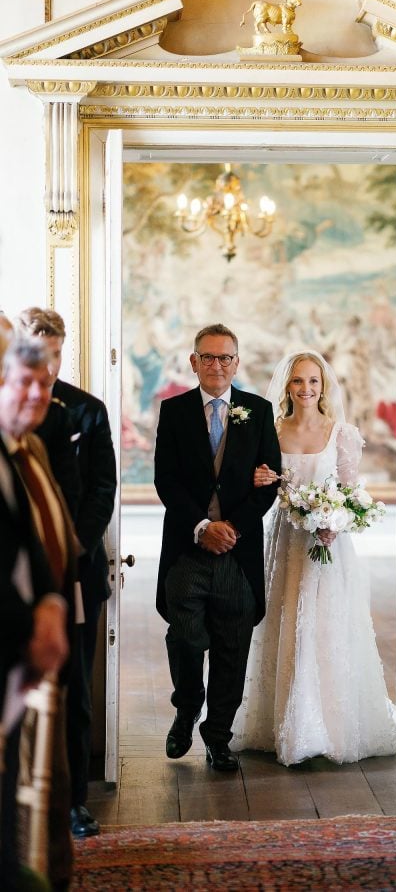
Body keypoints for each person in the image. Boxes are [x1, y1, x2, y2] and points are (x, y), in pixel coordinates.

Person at [230, 350, 396, 765]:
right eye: (298, 381)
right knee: (287, 619)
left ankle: (330, 726)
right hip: (287, 542)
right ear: (287, 387)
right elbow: (263, 485)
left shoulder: (342, 433)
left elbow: (349, 493)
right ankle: (285, 723)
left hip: (329, 545)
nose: (306, 389)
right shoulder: (271, 431)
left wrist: (334, 522)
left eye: (313, 381)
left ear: (323, 386)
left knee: (326, 626)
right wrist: (259, 479)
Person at [154, 323, 281, 771]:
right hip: (187, 550)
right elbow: (165, 480)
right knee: (185, 638)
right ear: (193, 362)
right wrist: (202, 525)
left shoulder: (259, 412)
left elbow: (269, 483)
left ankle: (218, 738)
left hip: (238, 554)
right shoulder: (173, 411)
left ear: (237, 363)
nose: (216, 365)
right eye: (207, 357)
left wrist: (231, 528)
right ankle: (187, 706)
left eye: (225, 358)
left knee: (233, 647)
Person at [16, 307, 117, 839]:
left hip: (77, 570)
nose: (48, 369)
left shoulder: (88, 411)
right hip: (19, 577)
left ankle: (75, 800)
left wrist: (71, 546)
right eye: (37, 356)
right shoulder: (14, 410)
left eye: (55, 356)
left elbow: (102, 488)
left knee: (75, 687)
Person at [0, 335, 78, 889]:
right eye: (22, 382)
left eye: (45, 384)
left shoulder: (26, 447)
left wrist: (53, 602)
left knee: (43, 779)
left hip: (37, 640)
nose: (35, 394)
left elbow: (40, 539)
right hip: (9, 644)